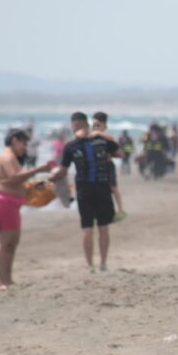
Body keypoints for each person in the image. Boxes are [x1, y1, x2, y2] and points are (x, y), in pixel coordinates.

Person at [0, 129, 57, 290]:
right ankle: (1, 281)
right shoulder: (8, 156)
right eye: (24, 144)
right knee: (6, 244)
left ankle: (7, 279)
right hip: (3, 204)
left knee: (12, 244)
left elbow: (15, 181)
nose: (25, 147)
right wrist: (39, 169)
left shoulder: (12, 157)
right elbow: (14, 177)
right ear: (15, 140)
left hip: (10, 205)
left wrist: (37, 184)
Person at [54, 112, 120, 272]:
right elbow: (119, 153)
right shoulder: (101, 139)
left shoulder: (70, 146)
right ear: (87, 124)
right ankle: (103, 263)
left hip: (84, 190)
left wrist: (52, 177)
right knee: (103, 227)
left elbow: (63, 170)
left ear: (75, 125)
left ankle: (89, 265)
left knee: (87, 228)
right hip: (102, 188)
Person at [86, 112, 126, 220]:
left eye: (98, 125)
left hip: (107, 166)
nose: (95, 127)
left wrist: (110, 155)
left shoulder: (107, 139)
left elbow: (120, 153)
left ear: (105, 126)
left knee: (113, 187)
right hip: (94, 168)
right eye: (94, 124)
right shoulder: (89, 138)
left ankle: (121, 210)